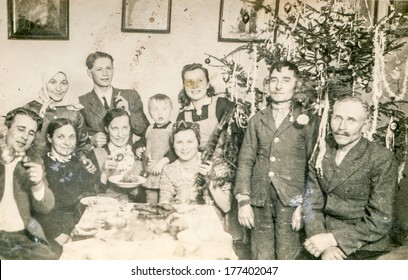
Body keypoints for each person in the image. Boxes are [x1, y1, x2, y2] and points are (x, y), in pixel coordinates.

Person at [234, 61, 318, 260]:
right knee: (261, 257)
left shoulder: (308, 119)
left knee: (288, 257)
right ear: (267, 84)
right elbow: (245, 161)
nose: (278, 86)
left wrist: (304, 206)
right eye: (274, 80)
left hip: (291, 201)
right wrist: (244, 201)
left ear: (296, 85)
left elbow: (313, 167)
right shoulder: (257, 120)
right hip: (260, 199)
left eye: (286, 80)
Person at [300, 96, 398, 260]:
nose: (341, 127)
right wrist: (321, 241)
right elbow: (311, 205)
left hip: (363, 244)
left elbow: (381, 219)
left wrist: (333, 240)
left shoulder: (381, 158)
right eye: (337, 118)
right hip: (321, 238)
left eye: (351, 120)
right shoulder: (321, 152)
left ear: (365, 125)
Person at [34, 118, 98, 256]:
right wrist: (60, 236)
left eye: (71, 137)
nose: (67, 143)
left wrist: (102, 174)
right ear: (50, 138)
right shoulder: (41, 164)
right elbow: (36, 209)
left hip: (79, 224)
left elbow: (90, 194)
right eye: (60, 137)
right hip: (51, 232)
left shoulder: (79, 162)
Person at [0, 107, 56, 260]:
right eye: (21, 129)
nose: (25, 136)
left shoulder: (34, 162)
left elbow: (46, 207)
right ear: (6, 129)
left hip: (25, 237)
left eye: (31, 133)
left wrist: (38, 184)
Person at [79, 51, 149, 148]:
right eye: (99, 69)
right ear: (90, 73)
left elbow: (146, 132)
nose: (105, 74)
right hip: (97, 159)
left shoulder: (131, 95)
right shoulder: (81, 102)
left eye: (108, 68)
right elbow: (74, 139)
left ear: (113, 70)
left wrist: (128, 113)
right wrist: (90, 140)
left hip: (126, 158)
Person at [159, 121, 231, 213]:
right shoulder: (168, 169)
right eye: (179, 142)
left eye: (190, 142)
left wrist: (210, 180)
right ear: (173, 144)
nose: (184, 147)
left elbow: (226, 207)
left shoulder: (215, 165)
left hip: (210, 223)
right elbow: (163, 206)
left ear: (198, 142)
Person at [24, 68, 91, 158]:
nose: (58, 88)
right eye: (53, 82)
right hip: (36, 166)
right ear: (45, 83)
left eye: (63, 83)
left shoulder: (75, 111)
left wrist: (81, 158)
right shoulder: (31, 109)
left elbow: (83, 145)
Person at [88, 108, 140, 200]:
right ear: (106, 129)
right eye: (115, 128)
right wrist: (104, 175)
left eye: (125, 128)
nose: (120, 134)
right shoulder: (95, 154)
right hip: (106, 208)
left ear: (130, 128)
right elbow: (90, 195)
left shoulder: (137, 153)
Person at [133, 94, 173, 204]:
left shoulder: (173, 130)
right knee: (150, 199)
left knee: (166, 200)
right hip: (150, 173)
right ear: (150, 113)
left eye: (164, 109)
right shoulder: (149, 129)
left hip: (165, 172)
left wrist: (162, 162)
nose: (160, 113)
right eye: (155, 110)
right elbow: (140, 142)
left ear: (171, 111)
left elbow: (175, 151)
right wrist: (138, 149)